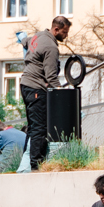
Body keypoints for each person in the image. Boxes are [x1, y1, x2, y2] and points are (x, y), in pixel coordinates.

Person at [19, 15, 69, 170]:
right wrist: (62, 95)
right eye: (65, 32)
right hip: (36, 88)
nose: (66, 35)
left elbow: (24, 41)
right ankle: (36, 165)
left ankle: (27, 162)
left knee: (33, 127)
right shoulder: (51, 47)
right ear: (56, 29)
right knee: (40, 128)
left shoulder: (38, 36)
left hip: (25, 85)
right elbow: (51, 76)